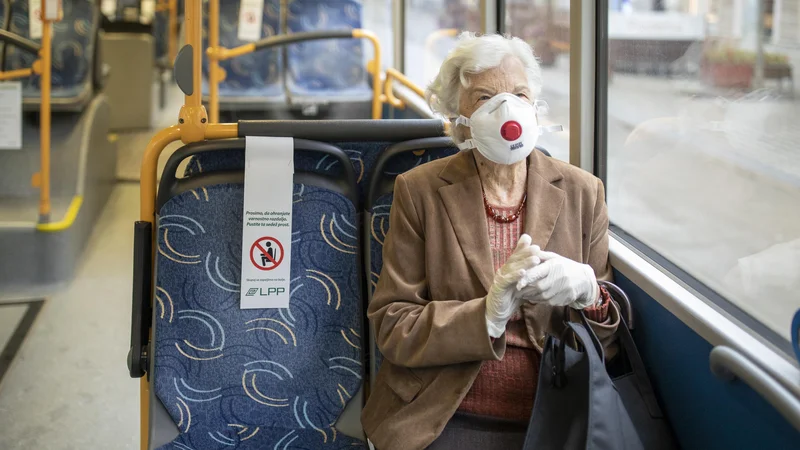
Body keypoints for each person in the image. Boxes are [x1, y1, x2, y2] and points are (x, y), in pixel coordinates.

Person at [361, 32, 620, 450]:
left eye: (519, 93)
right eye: (485, 97)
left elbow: (605, 346)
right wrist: (485, 316)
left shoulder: (582, 193)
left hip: (557, 411)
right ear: (457, 118)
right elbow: (393, 326)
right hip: (443, 411)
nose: (507, 109)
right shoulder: (419, 190)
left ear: (535, 106)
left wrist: (590, 294)